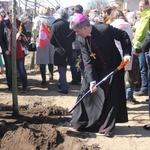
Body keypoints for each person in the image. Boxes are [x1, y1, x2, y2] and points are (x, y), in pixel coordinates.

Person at [70, 13, 132, 137]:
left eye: (77, 31)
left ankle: (107, 127)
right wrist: (92, 81)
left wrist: (126, 53)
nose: (76, 34)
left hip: (113, 66)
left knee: (110, 97)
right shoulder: (81, 39)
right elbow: (87, 60)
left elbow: (124, 36)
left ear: (85, 28)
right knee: (87, 92)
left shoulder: (105, 29)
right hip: (95, 69)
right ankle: (84, 123)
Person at [50, 9, 75, 94]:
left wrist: (56, 44)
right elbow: (73, 38)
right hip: (68, 49)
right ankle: (61, 83)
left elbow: (51, 40)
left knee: (61, 68)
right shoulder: (69, 25)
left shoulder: (55, 25)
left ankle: (64, 87)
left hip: (59, 49)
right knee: (63, 68)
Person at [32, 4, 56, 85]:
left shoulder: (38, 19)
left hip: (42, 40)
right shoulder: (53, 19)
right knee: (50, 58)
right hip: (51, 40)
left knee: (42, 59)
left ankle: (43, 79)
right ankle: (51, 76)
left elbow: (34, 30)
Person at [132, 0, 150, 96]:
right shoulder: (144, 15)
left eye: (141, 6)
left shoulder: (147, 15)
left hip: (145, 45)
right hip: (146, 45)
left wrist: (136, 44)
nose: (140, 8)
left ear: (147, 5)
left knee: (144, 68)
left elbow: (141, 32)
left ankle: (145, 88)